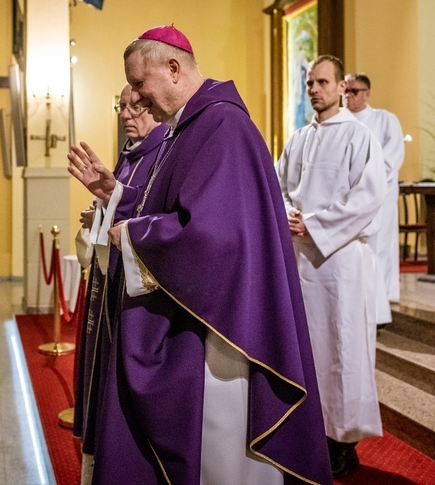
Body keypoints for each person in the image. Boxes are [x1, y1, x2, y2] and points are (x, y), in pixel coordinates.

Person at [68, 25, 331, 484]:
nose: (137, 99)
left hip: (224, 328)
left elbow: (214, 234)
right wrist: (119, 197)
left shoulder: (221, 125)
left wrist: (131, 235)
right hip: (203, 310)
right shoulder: (185, 128)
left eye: (140, 85)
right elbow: (166, 204)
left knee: (222, 454)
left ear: (173, 68)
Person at [277, 55, 386, 478]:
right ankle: (309, 433)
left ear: (342, 87)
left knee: (342, 352)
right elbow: (279, 185)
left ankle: (343, 441)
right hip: (302, 262)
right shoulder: (299, 138)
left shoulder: (360, 138)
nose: (314, 90)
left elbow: (368, 196)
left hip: (340, 262)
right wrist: (288, 214)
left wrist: (316, 224)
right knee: (310, 352)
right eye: (309, 83)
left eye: (322, 82)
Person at [73, 83, 167, 484]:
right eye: (122, 106)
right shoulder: (131, 154)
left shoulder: (164, 151)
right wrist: (100, 210)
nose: (127, 114)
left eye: (137, 106)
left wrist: (113, 202)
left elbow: (156, 216)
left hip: (140, 295)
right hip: (110, 279)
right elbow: (122, 210)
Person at [344, 73, 405, 310]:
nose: (348, 96)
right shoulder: (339, 122)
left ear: (367, 93)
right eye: (345, 91)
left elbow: (393, 156)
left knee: (381, 244)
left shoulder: (385, 120)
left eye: (354, 91)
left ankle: (383, 296)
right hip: (349, 196)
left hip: (381, 193)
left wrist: (367, 180)